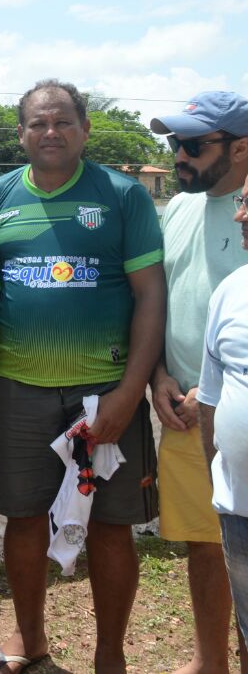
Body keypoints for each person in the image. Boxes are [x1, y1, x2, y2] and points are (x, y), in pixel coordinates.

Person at [0, 79, 165, 673]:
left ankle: (110, 654)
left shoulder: (122, 196)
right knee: (24, 518)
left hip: (105, 394)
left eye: (62, 122)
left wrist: (130, 392)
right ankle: (30, 638)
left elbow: (150, 295)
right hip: (16, 389)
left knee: (110, 527)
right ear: (21, 134)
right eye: (38, 123)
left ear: (84, 129)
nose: (50, 132)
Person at [149, 91, 248, 674]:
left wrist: (210, 394)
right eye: (174, 144)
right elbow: (160, 298)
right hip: (181, 411)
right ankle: (210, 661)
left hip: (231, 413)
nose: (179, 157)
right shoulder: (179, 208)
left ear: (240, 148)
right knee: (205, 545)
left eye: (192, 144)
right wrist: (159, 374)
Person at [198, 167, 248, 657]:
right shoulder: (230, 291)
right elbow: (210, 402)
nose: (240, 216)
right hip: (240, 511)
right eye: (242, 202)